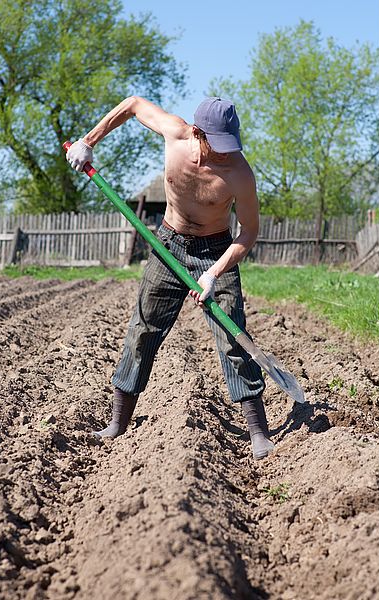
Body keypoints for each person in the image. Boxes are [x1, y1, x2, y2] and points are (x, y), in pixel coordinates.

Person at [66, 96, 274, 460]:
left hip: (215, 250)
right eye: (217, 145)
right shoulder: (175, 134)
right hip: (168, 245)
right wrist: (89, 141)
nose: (225, 153)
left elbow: (249, 232)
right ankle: (118, 422)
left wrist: (214, 272)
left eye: (230, 145)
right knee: (143, 329)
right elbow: (132, 105)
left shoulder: (239, 174)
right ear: (197, 133)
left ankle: (257, 430)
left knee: (233, 335)